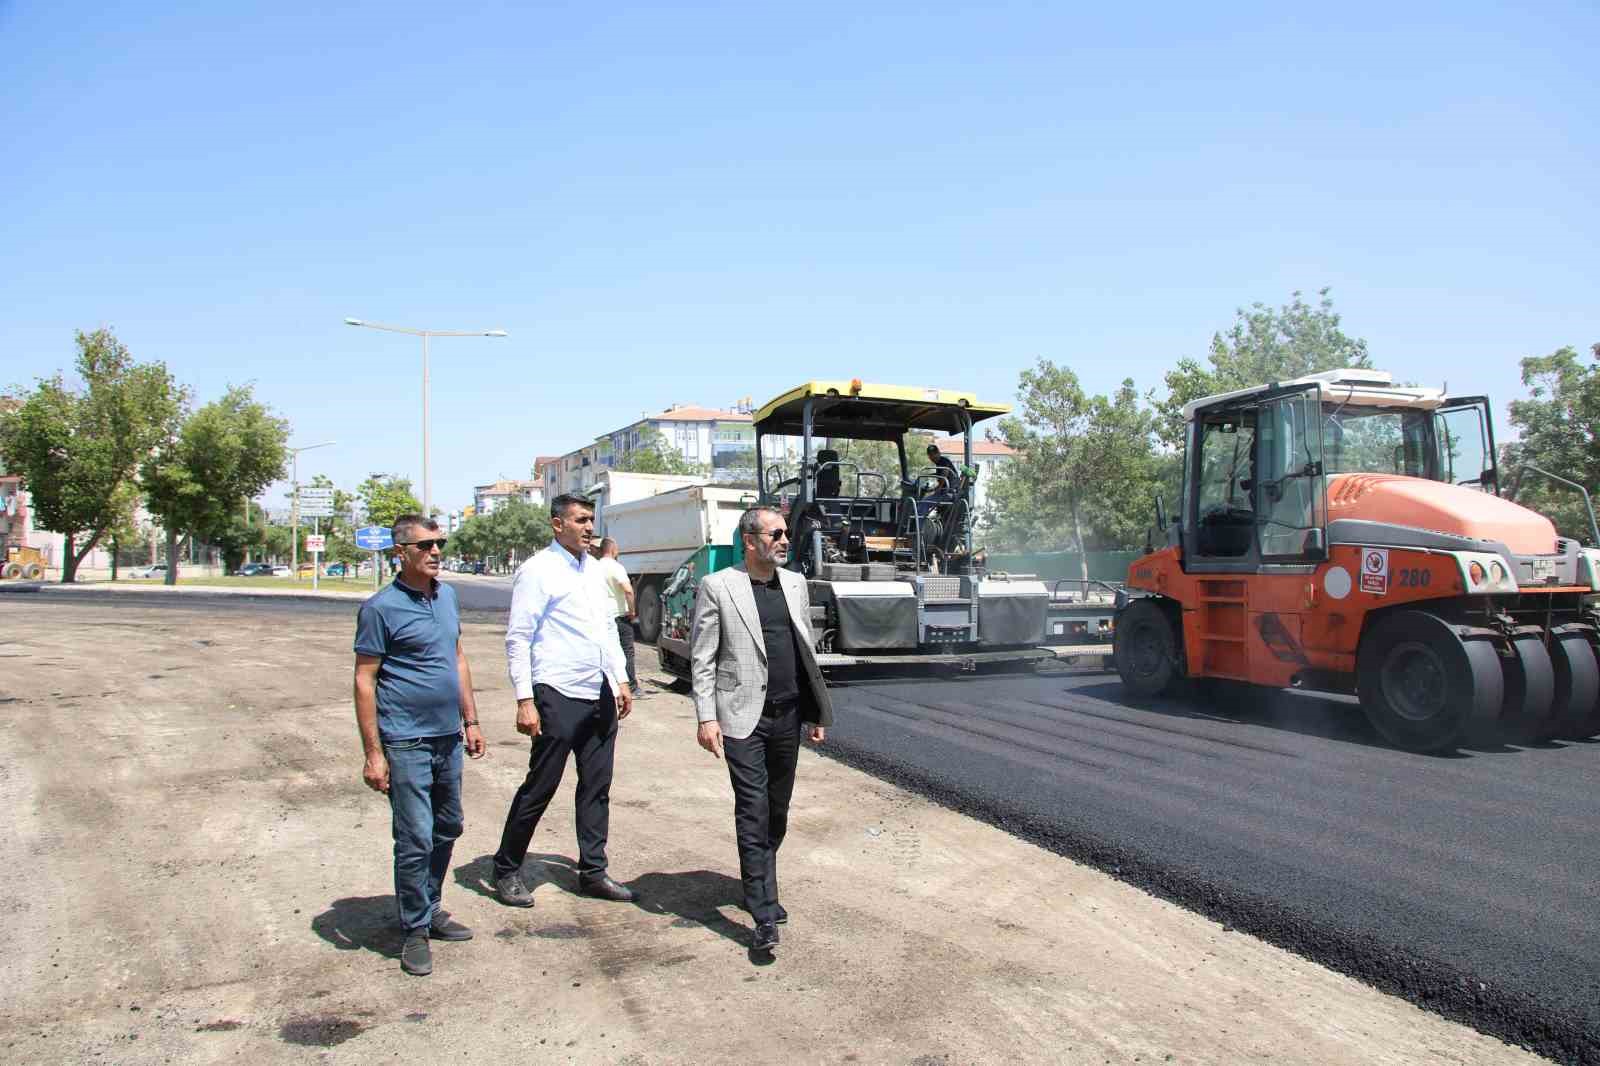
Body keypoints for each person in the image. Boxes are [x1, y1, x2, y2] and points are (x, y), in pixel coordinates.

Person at [690, 505, 834, 954]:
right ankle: (763, 911)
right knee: (751, 809)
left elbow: (804, 651)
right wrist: (706, 716)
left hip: (788, 716)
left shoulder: (793, 584)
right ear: (750, 541)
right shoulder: (718, 586)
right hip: (741, 717)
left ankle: (760, 881)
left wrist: (815, 713)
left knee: (777, 810)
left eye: (786, 533)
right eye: (776, 534)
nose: (785, 540)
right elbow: (703, 657)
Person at [352, 514, 487, 977]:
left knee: (449, 826)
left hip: (448, 736)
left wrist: (471, 719)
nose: (436, 553)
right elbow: (364, 681)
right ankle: (413, 928)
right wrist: (374, 753)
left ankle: (429, 907)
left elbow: (457, 657)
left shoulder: (447, 597)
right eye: (425, 546)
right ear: (401, 553)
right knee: (414, 837)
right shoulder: (380, 609)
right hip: (405, 738)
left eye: (439, 544)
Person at [494, 494, 637, 908]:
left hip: (599, 693)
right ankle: (506, 868)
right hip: (557, 693)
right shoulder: (537, 570)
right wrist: (525, 698)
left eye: (592, 519)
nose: (589, 527)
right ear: (558, 525)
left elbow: (606, 629)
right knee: (541, 785)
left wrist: (621, 680)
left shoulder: (594, 570)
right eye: (580, 520)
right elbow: (519, 637)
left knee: (597, 787)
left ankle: (593, 872)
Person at [594, 537, 644, 699]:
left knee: (605, 650)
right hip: (619, 616)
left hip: (601, 614)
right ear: (613, 550)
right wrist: (632, 611)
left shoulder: (594, 567)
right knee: (626, 651)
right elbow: (628, 590)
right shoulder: (616, 567)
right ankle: (631, 686)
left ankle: (610, 683)